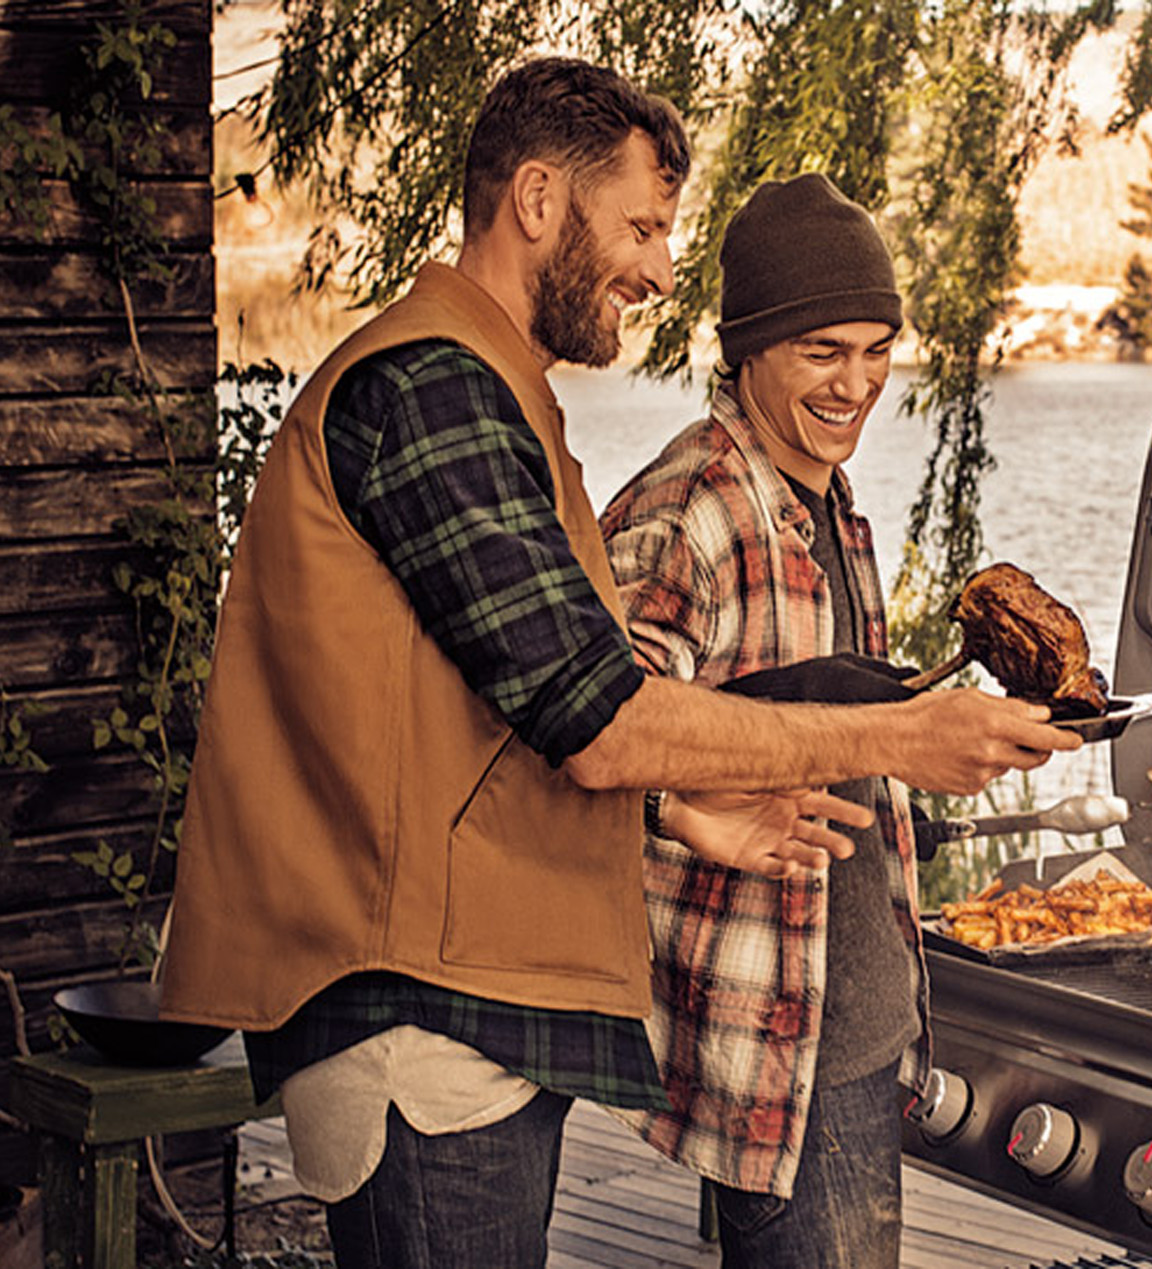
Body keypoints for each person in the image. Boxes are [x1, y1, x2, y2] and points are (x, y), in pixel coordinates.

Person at [157, 62, 1076, 1269]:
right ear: (538, 198)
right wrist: (899, 738)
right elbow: (600, 715)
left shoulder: (487, 393)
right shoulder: (431, 389)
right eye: (640, 226)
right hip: (420, 1022)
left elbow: (506, 709)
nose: (654, 270)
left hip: (467, 1020)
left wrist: (679, 808)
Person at [596, 173, 977, 1267]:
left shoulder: (828, 504)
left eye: (875, 348)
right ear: (748, 349)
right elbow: (590, 732)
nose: (856, 382)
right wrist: (676, 807)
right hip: (779, 1049)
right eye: (822, 351)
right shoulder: (691, 511)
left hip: (854, 1025)